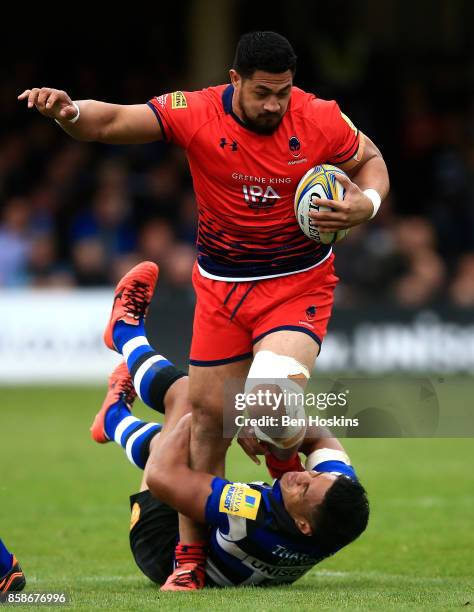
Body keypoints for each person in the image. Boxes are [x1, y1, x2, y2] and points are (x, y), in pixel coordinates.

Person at [19, 31, 388, 588]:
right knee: (207, 426)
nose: (274, 105)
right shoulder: (195, 110)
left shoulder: (319, 117)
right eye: (263, 92)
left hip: (297, 284)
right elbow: (112, 122)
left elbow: (371, 159)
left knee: (267, 398)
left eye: (283, 93)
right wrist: (68, 111)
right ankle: (189, 562)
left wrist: (367, 203)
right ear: (235, 81)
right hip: (221, 290)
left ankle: (281, 468)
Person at [90, 274, 369, 590]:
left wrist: (207, 419)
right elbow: (319, 436)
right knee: (196, 428)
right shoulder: (337, 508)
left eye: (304, 489)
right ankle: (113, 420)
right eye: (315, 476)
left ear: (303, 525)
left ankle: (125, 335)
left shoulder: (252, 515)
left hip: (159, 540)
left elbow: (163, 476)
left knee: (188, 400)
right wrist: (274, 442)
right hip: (220, 532)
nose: (304, 476)